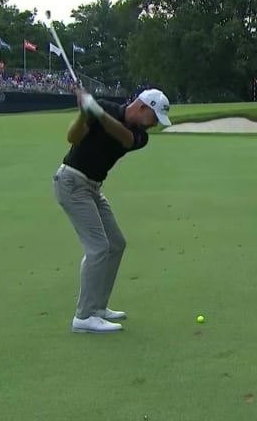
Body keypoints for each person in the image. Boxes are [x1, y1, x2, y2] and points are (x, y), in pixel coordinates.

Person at [53, 86, 171, 333]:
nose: (154, 125)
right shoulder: (105, 108)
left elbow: (123, 137)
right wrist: (84, 114)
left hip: (93, 188)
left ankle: (97, 308)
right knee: (98, 247)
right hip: (71, 183)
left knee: (116, 244)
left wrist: (97, 112)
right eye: (154, 118)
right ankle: (84, 317)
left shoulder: (139, 135)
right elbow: (73, 137)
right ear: (142, 107)